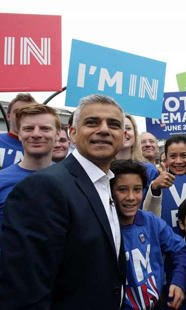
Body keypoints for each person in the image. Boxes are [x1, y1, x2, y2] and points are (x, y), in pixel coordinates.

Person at [0, 94, 126, 309]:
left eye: (113, 124)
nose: (104, 129)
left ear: (123, 136)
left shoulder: (105, 185)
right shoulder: (43, 188)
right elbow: (26, 292)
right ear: (72, 134)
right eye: (92, 122)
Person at [110, 160, 186, 310]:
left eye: (137, 189)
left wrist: (178, 280)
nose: (131, 197)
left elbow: (180, 250)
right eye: (122, 189)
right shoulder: (102, 228)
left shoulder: (151, 221)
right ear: (110, 191)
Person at [0, 104, 61, 233]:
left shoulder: (72, 180)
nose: (36, 134)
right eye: (28, 129)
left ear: (57, 134)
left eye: (45, 129)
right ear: (19, 134)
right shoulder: (2, 180)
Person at [116, 115, 160, 203]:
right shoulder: (102, 170)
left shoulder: (149, 170)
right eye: (119, 128)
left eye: (128, 128)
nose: (124, 132)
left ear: (135, 134)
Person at [0, 93, 36, 169]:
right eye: (17, 112)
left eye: (28, 112)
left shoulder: (43, 147)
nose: (22, 116)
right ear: (8, 116)